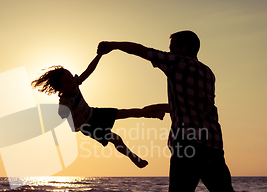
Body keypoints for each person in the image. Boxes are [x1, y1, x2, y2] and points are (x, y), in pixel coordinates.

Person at [97, 31, 262, 192]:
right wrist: (165, 107)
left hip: (187, 143)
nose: (170, 51)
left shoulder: (176, 63)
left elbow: (141, 50)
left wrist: (113, 45)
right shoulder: (207, 72)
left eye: (173, 46)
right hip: (212, 142)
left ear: (185, 47)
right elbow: (198, 105)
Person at [31, 53, 168, 168]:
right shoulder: (64, 105)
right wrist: (78, 122)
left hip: (94, 113)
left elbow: (89, 71)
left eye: (72, 78)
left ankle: (152, 114)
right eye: (68, 82)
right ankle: (135, 159)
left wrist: (99, 55)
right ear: (59, 89)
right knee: (116, 139)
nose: (73, 82)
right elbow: (72, 127)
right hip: (89, 126)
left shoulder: (75, 84)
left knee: (126, 112)